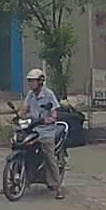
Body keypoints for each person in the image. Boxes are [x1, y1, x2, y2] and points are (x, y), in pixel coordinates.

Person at [21, 68, 65, 199]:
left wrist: (50, 119)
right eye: (29, 81)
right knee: (21, 147)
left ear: (40, 82)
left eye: (33, 81)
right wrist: (17, 116)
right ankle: (15, 180)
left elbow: (55, 112)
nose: (30, 84)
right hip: (33, 128)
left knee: (49, 157)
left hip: (46, 131)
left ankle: (57, 188)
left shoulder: (48, 94)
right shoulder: (30, 94)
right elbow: (24, 109)